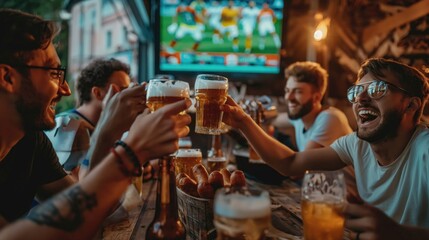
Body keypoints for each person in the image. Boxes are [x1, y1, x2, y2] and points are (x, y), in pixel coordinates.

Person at [0, 8, 191, 239]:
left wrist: (106, 134)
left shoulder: (31, 140)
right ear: (7, 78)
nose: (66, 89)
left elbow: (83, 211)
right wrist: (132, 150)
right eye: (53, 73)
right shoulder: (59, 129)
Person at [222, 58, 429, 238]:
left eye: (377, 89)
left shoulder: (424, 150)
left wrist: (402, 235)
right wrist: (243, 122)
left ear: (410, 106)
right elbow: (291, 163)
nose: (361, 98)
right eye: (357, 91)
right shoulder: (356, 144)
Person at [273, 61, 358, 199]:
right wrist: (254, 112)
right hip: (322, 197)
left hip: (348, 201)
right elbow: (274, 119)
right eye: (287, 91)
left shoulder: (330, 118)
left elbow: (296, 170)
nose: (289, 97)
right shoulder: (300, 117)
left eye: (298, 91)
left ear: (317, 97)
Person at [45, 58, 139, 180]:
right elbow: (74, 189)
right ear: (97, 93)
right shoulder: (68, 126)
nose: (127, 96)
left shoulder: (113, 127)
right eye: (122, 90)